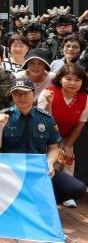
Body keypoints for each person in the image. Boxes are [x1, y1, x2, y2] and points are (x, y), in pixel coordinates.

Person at [0, 78, 86, 205]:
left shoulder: (45, 118)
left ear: (34, 94)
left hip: (38, 168)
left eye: (25, 93)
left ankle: (41, 202)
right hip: (11, 169)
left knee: (77, 188)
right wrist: (0, 127)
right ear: (12, 96)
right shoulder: (2, 116)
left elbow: (53, 148)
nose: (21, 97)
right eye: (17, 93)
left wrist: (50, 163)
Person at [38, 64, 88, 207]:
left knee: (68, 158)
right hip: (45, 137)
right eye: (68, 78)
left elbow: (80, 125)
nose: (73, 83)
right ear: (60, 79)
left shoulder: (85, 98)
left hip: (66, 136)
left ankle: (66, 195)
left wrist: (68, 145)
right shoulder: (48, 93)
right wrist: (49, 104)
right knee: (49, 164)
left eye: (77, 80)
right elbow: (44, 122)